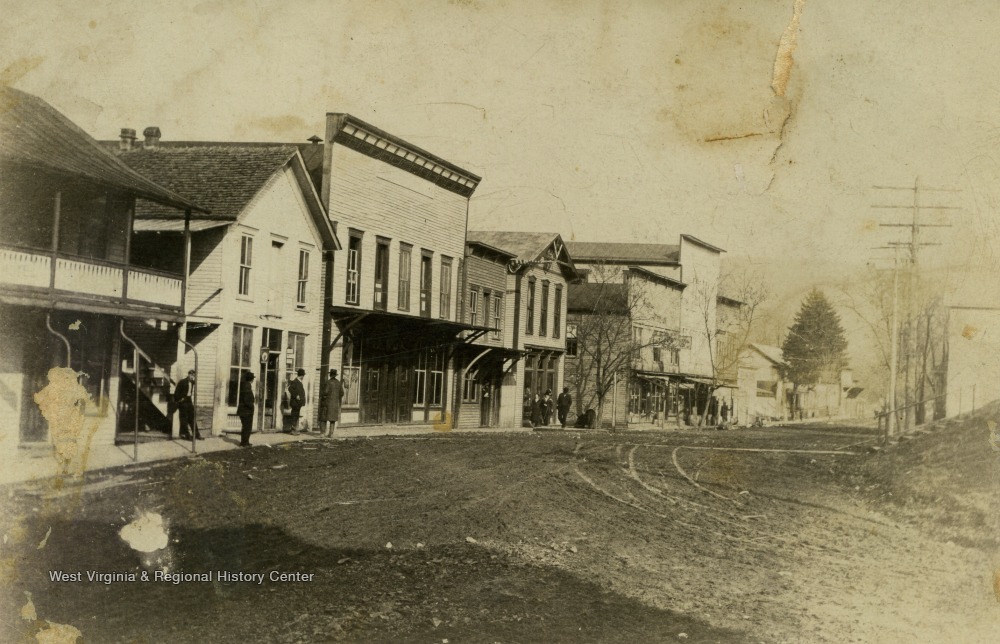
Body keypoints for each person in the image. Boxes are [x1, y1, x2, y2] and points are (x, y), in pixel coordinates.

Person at [174, 369, 202, 440]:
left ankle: (197, 435)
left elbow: (194, 384)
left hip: (189, 400)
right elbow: (176, 393)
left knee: (192, 418)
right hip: (183, 401)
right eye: (191, 375)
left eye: (193, 375)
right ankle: (187, 435)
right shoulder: (182, 382)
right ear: (188, 374)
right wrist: (180, 399)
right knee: (184, 419)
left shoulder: (193, 382)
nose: (192, 376)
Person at [322, 369, 344, 438]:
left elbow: (325, 392)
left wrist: (323, 396)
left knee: (324, 418)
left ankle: (323, 433)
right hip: (335, 404)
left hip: (327, 403)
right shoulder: (338, 383)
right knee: (333, 419)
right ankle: (331, 434)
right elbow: (342, 393)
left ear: (330, 374)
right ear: (335, 375)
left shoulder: (328, 382)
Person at [284, 368, 306, 434]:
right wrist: (296, 395)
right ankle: (293, 430)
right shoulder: (295, 381)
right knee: (294, 415)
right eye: (303, 375)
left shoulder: (299, 382)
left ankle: (295, 429)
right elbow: (290, 389)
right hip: (295, 402)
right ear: (301, 375)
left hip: (298, 403)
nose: (303, 377)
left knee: (296, 415)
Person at [237, 371, 256, 447]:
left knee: (246, 427)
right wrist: (251, 406)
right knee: (247, 427)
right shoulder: (247, 386)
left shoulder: (244, 385)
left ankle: (245, 442)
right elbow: (246, 399)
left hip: (244, 410)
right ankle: (244, 443)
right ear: (251, 379)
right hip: (246, 410)